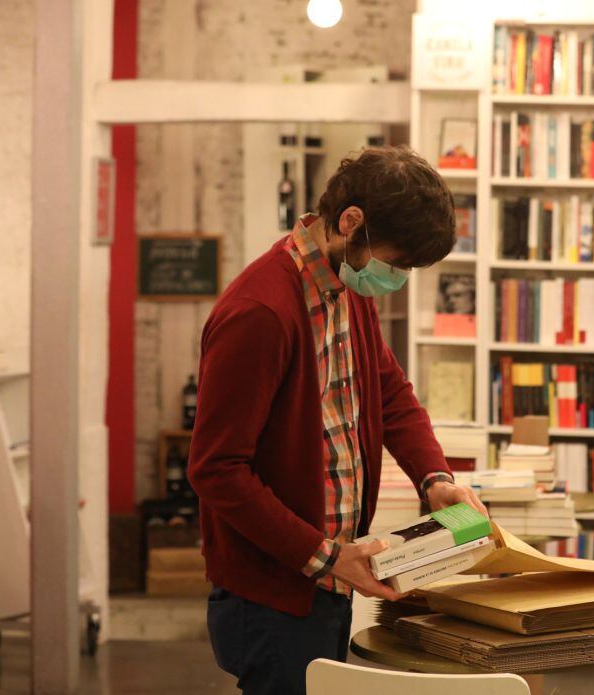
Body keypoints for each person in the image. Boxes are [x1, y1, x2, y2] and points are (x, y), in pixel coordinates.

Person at [187, 146, 489, 695]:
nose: (395, 278)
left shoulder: (346, 283)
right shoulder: (260, 312)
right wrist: (327, 556)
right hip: (275, 592)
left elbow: (390, 393)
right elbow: (217, 469)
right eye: (396, 263)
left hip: (328, 578)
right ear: (351, 223)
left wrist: (435, 479)